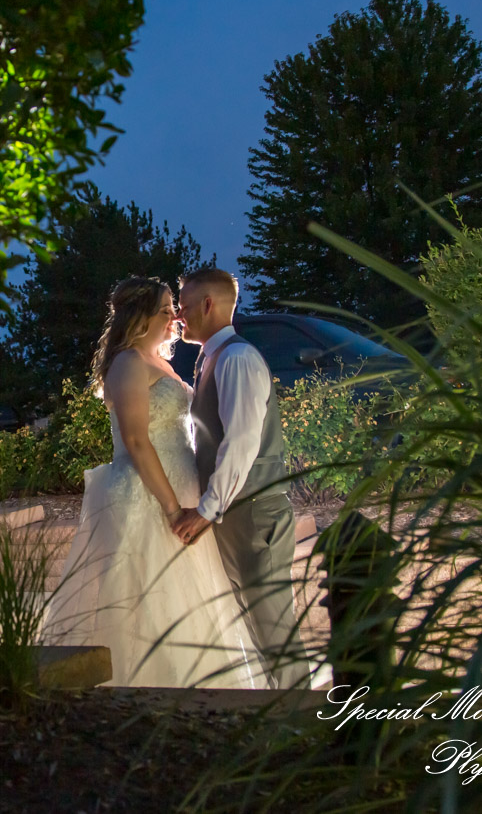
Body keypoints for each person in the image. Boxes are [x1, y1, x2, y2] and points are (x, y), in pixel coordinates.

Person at [42, 276, 265, 688]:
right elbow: (136, 440)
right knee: (146, 599)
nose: (175, 316)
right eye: (166, 309)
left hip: (182, 490)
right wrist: (171, 508)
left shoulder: (160, 363)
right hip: (149, 496)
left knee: (190, 600)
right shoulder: (128, 362)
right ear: (140, 316)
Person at [170, 268, 309, 689]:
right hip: (239, 516)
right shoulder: (212, 358)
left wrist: (207, 510)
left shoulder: (237, 359)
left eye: (185, 305)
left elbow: (242, 443)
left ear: (209, 305)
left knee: (274, 633)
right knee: (256, 630)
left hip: (255, 516)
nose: (179, 314)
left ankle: (302, 724)